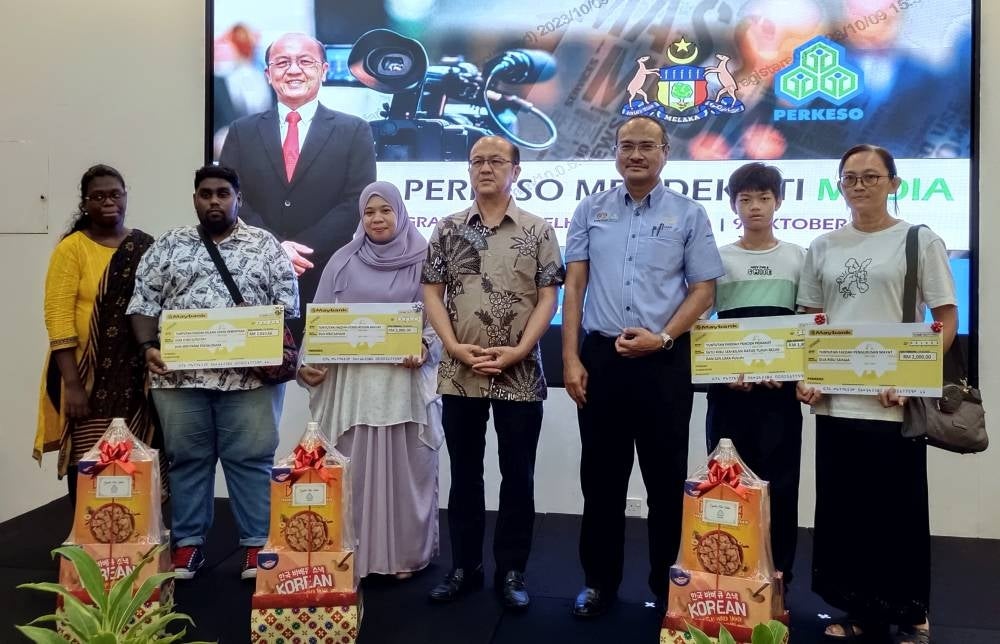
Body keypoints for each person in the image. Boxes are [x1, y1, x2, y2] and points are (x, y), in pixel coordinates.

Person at [562, 115, 725, 618]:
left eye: (646, 146)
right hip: (602, 361)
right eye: (626, 146)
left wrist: (664, 337)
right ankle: (598, 584)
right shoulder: (591, 209)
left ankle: (667, 584)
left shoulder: (689, 214)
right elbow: (574, 286)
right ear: (615, 153)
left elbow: (704, 289)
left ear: (665, 152)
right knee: (602, 481)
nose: (636, 154)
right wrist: (569, 357)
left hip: (665, 364)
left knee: (665, 480)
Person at [797, 144, 957, 644]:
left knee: (898, 511)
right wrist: (804, 373)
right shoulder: (823, 246)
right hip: (836, 402)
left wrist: (912, 376)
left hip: (895, 403)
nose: (860, 185)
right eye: (850, 177)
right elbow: (810, 321)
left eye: (871, 176)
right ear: (839, 185)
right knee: (845, 511)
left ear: (894, 182)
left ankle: (911, 614)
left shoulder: (918, 240)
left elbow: (945, 318)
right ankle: (859, 610)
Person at [127, 165, 298, 581]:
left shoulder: (265, 246)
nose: (214, 201)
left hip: (249, 382)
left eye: (223, 193)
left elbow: (288, 308)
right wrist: (149, 348)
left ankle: (257, 546)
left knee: (252, 461)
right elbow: (143, 303)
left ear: (238, 197)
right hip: (180, 380)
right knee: (187, 461)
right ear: (195, 199)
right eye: (206, 194)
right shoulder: (169, 244)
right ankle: (187, 547)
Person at [421, 136, 564, 611]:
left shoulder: (538, 230)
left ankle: (512, 570)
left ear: (516, 169)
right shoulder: (446, 228)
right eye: (477, 161)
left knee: (517, 476)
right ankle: (465, 567)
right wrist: (452, 345)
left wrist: (522, 349)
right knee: (464, 474)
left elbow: (549, 296)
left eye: (496, 160)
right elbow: (432, 292)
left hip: (519, 373)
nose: (485, 168)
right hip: (460, 372)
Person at [298, 181, 442, 580]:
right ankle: (352, 555)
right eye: (369, 212)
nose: (377, 219)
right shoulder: (343, 260)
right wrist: (306, 364)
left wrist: (428, 348)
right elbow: (321, 321)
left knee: (406, 469)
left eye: (385, 210)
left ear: (400, 212)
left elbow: (440, 317)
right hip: (353, 387)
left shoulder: (426, 258)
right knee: (355, 469)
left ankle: (403, 557)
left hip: (403, 384)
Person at [705, 162, 821, 590]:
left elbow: (808, 323)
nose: (755, 207)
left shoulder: (798, 257)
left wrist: (791, 372)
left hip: (780, 398)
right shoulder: (717, 258)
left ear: (779, 202)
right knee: (728, 487)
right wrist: (723, 372)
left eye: (764, 198)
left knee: (780, 487)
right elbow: (703, 326)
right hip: (729, 395)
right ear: (733, 205)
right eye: (746, 199)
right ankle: (727, 577)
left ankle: (777, 578)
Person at [219, 31, 377, 339]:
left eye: (305, 61)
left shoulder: (354, 130)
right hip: (255, 280)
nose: (293, 70)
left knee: (322, 380)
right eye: (282, 62)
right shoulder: (241, 131)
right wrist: (275, 249)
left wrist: (300, 252)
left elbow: (355, 201)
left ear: (324, 70)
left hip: (327, 279)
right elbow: (231, 198)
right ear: (268, 74)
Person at [35, 164, 156, 505]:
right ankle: (87, 544)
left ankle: (132, 541)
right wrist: (72, 386)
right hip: (86, 378)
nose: (108, 201)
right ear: (85, 203)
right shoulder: (72, 248)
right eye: (98, 196)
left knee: (135, 459)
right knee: (90, 461)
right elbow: (57, 318)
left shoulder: (144, 245)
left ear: (126, 196)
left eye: (115, 194)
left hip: (135, 378)